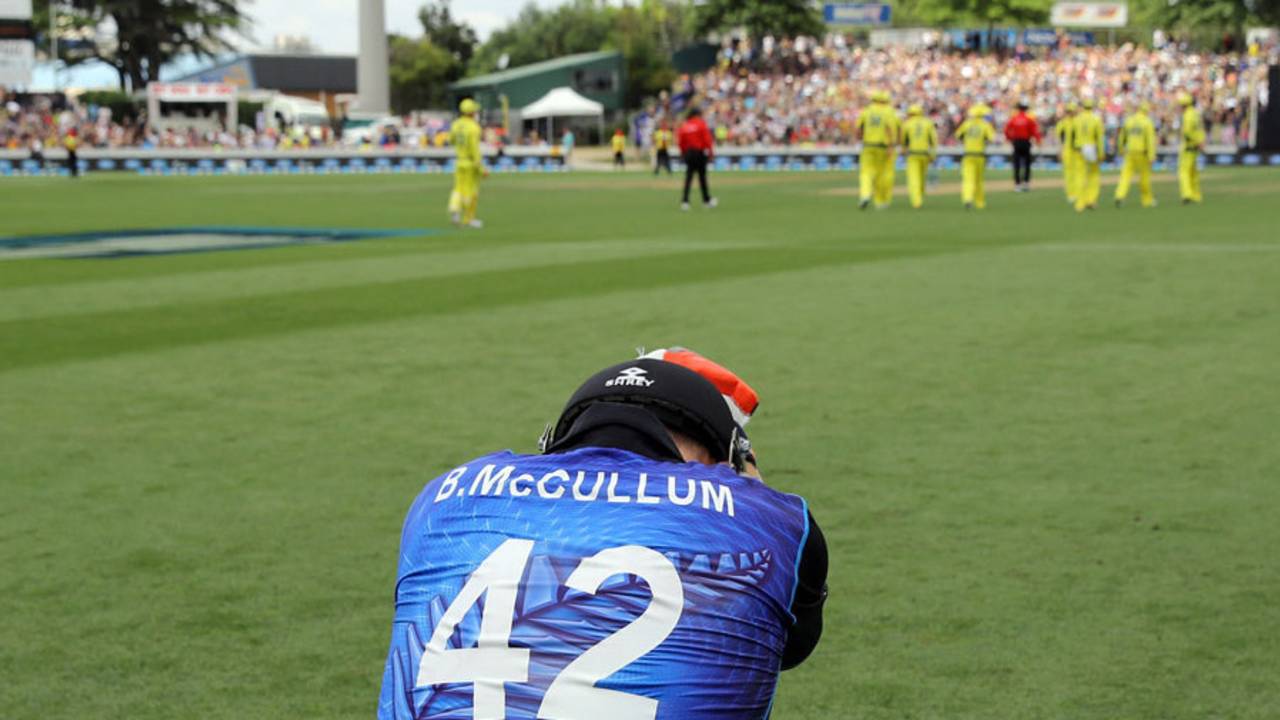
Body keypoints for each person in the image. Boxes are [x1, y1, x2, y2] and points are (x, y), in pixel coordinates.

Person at [377, 351, 827, 720]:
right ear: (721, 459)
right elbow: (791, 644)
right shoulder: (770, 518)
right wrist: (751, 486)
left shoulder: (445, 495)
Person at [856, 89, 899, 210]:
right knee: (881, 174)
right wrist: (891, 146)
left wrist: (860, 139)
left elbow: (859, 129)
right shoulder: (889, 112)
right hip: (883, 147)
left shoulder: (866, 111)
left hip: (868, 146)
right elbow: (890, 129)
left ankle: (865, 194)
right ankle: (880, 201)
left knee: (865, 172)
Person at [448, 99, 487, 229]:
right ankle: (468, 219)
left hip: (459, 161)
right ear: (471, 112)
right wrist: (481, 167)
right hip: (470, 163)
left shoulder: (455, 124)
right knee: (471, 192)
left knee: (458, 189)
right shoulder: (474, 127)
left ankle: (455, 209)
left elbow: (451, 140)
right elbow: (474, 149)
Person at [1114, 101, 1158, 208]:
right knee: (1144, 178)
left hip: (1129, 152)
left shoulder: (1129, 121)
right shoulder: (1147, 122)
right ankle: (1147, 200)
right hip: (1142, 153)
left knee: (1125, 176)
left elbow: (1121, 138)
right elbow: (1150, 141)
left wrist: (1120, 150)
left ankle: (1119, 195)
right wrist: (1152, 156)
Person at [955, 104, 996, 210]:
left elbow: (958, 136)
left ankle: (967, 199)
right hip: (980, 155)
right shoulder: (985, 125)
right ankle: (980, 202)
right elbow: (992, 139)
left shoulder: (967, 124)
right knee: (979, 180)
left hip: (968, 155)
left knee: (968, 179)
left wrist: (966, 141)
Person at [677, 107, 716, 210]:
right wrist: (711, 154)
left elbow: (681, 142)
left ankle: (685, 201)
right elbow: (707, 140)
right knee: (702, 178)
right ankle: (706, 200)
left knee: (688, 178)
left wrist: (683, 153)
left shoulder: (685, 126)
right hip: (699, 153)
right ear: (697, 114)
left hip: (689, 153)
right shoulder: (701, 124)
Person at [901, 104, 937, 209]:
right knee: (922, 177)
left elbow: (904, 140)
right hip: (925, 154)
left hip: (913, 154)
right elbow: (933, 140)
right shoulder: (928, 123)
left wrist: (903, 151)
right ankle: (920, 196)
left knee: (913, 178)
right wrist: (933, 155)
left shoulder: (907, 124)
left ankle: (916, 201)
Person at [1072, 98, 1104, 212]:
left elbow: (1072, 136)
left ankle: (1080, 204)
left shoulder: (1076, 119)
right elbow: (1099, 138)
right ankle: (1091, 200)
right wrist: (1101, 153)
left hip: (1079, 149)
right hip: (1091, 148)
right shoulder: (1096, 120)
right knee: (1093, 175)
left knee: (1080, 176)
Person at [1004, 100, 1041, 192]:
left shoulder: (1014, 119)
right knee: (1027, 163)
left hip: (1016, 142)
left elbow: (1006, 130)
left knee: (1016, 163)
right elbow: (1035, 132)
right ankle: (1026, 183)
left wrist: (1009, 138)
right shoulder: (1029, 119)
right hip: (1026, 142)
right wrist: (1038, 141)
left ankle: (1017, 184)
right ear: (1026, 109)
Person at [1178, 92, 1205, 204]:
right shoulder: (1196, 113)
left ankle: (1187, 194)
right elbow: (1200, 130)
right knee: (1194, 173)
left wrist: (1195, 141)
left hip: (1188, 147)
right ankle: (1196, 195)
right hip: (1195, 147)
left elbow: (1187, 132)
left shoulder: (1187, 115)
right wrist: (1201, 142)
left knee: (1184, 172)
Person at [1056, 101, 1080, 205]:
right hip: (1068, 150)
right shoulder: (1063, 123)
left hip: (1076, 150)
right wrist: (1060, 151)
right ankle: (1071, 194)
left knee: (1076, 172)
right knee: (1069, 173)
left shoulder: (1078, 122)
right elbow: (1059, 139)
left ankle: (1077, 193)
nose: (1070, 113)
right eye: (1069, 111)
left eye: (1071, 111)